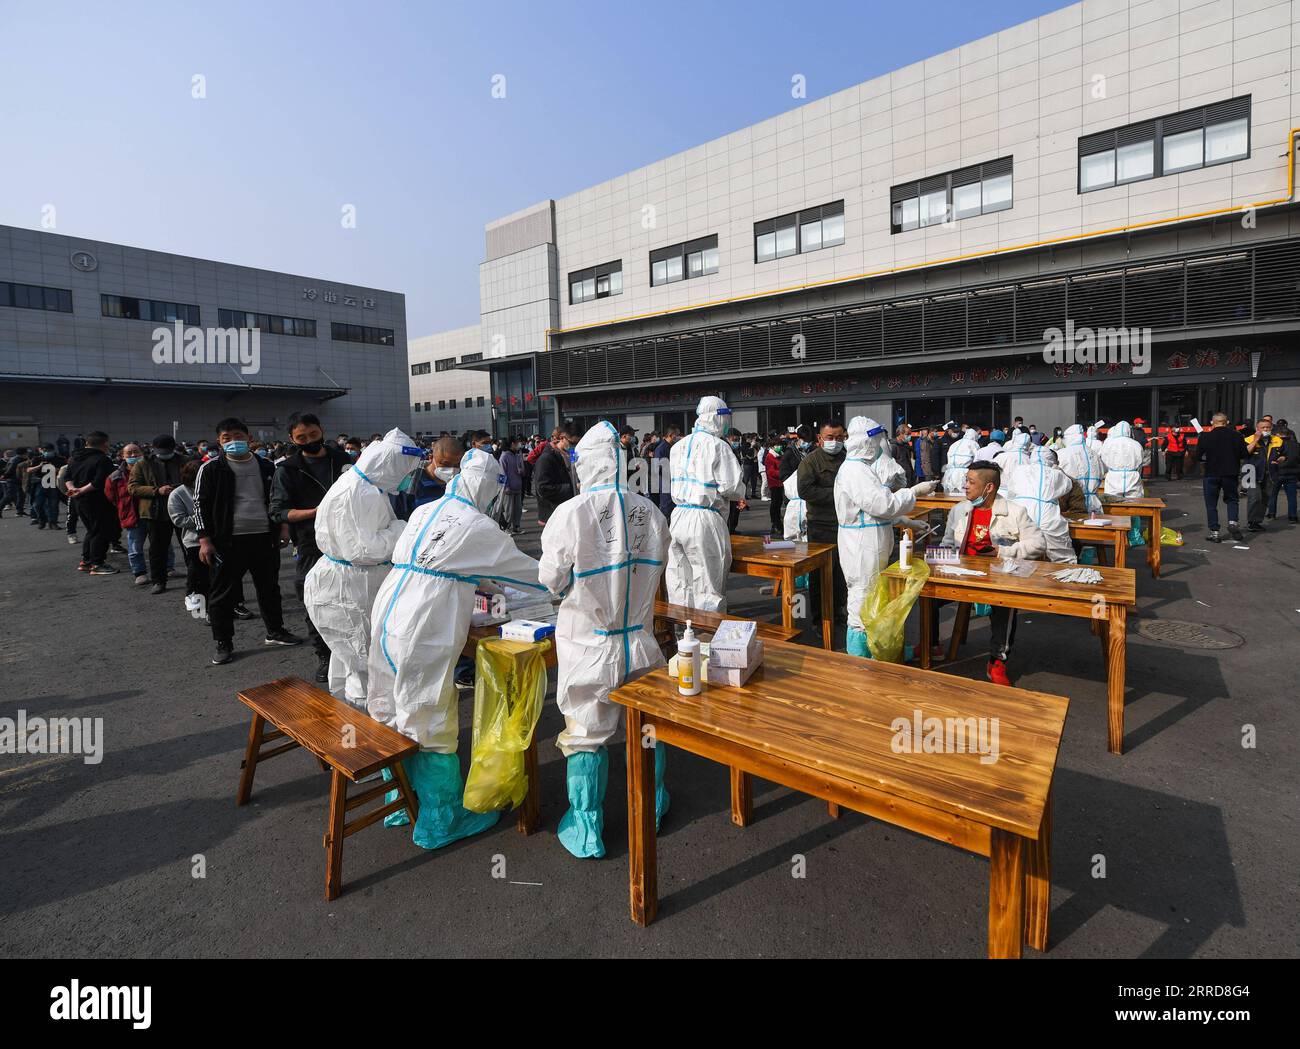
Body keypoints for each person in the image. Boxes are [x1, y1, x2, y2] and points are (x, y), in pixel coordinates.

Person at [367, 448, 545, 850]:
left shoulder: (424, 511)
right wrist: (565, 579)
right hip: (423, 625)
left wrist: (486, 584)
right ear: (490, 487)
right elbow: (530, 574)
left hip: (390, 610)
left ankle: (400, 798)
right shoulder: (478, 525)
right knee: (429, 713)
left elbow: (459, 565)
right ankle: (440, 819)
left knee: (390, 706)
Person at [539, 422, 671, 858]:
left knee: (585, 733)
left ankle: (587, 828)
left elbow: (551, 581)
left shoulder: (571, 513)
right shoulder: (650, 512)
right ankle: (650, 805)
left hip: (589, 645)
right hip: (640, 641)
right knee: (646, 726)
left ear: (586, 464)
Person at [305, 428, 423, 709]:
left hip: (351, 583)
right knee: (363, 661)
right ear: (391, 465)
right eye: (405, 470)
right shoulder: (361, 493)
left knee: (350, 657)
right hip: (348, 587)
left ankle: (351, 718)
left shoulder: (364, 485)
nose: (406, 478)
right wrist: (401, 530)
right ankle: (365, 733)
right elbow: (363, 549)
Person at [195, 417, 304, 665]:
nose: (234, 442)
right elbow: (200, 505)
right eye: (227, 438)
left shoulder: (266, 466)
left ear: (249, 438)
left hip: (265, 537)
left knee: (269, 588)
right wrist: (205, 540)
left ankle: (275, 631)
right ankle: (224, 642)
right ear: (219, 442)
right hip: (227, 541)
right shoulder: (211, 469)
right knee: (222, 594)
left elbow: (280, 500)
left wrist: (284, 528)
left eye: (238, 436)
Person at [835, 417, 936, 657]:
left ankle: (875, 651)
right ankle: (859, 657)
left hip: (868, 543)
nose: (880, 445)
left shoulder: (862, 468)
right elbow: (881, 504)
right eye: (876, 440)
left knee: (872, 598)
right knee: (861, 599)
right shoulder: (854, 470)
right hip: (861, 547)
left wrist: (905, 521)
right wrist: (912, 492)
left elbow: (871, 512)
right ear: (866, 441)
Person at [940, 463, 1047, 685]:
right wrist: (941, 558)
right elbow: (947, 544)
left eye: (971, 482)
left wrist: (1003, 551)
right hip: (960, 574)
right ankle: (931, 644)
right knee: (924, 591)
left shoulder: (1015, 512)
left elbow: (1039, 543)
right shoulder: (959, 510)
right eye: (965, 480)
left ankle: (997, 661)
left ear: (988, 487)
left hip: (997, 576)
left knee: (1005, 605)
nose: (965, 486)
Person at [270, 412, 353, 681]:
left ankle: (352, 653)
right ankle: (324, 656)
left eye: (313, 434)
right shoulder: (287, 469)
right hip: (310, 543)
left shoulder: (342, 459)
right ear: (292, 439)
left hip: (349, 540)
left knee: (350, 598)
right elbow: (279, 511)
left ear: (322, 430)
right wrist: (317, 512)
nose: (309, 441)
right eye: (301, 438)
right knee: (315, 600)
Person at [666, 397, 746, 611]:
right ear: (718, 417)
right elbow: (732, 487)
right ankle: (707, 636)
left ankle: (683, 634)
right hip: (705, 518)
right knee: (709, 583)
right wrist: (741, 492)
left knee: (680, 580)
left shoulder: (678, 446)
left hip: (679, 516)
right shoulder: (719, 446)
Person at [798, 420, 850, 627]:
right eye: (830, 438)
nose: (835, 442)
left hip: (845, 525)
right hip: (821, 526)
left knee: (842, 573)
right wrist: (838, 495)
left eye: (839, 438)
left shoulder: (848, 460)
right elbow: (805, 491)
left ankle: (838, 612)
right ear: (820, 439)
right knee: (820, 574)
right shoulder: (811, 462)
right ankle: (819, 617)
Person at [128, 435, 182, 594]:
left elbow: (195, 480)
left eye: (167, 451)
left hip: (182, 510)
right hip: (155, 512)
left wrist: (179, 487)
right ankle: (159, 581)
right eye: (160, 451)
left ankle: (197, 580)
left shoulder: (184, 461)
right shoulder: (143, 464)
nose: (163, 454)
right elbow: (132, 487)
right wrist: (156, 491)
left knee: (189, 547)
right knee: (157, 549)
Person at [1005, 445, 1076, 563]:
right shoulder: (1056, 474)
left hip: (1022, 513)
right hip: (1047, 515)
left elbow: (1011, 491)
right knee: (1060, 555)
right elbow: (1067, 486)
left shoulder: (1019, 470)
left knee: (1016, 552)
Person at [64, 432, 118, 574]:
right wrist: (82, 490)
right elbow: (99, 481)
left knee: (92, 530)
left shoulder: (74, 458)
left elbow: (67, 477)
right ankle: (97, 563)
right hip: (97, 500)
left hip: (79, 500)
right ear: (105, 444)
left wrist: (73, 489)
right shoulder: (102, 459)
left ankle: (86, 561)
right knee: (101, 531)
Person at [1195, 412, 1247, 543]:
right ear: (1227, 422)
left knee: (1211, 503)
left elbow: (1198, 456)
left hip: (1211, 473)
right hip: (1230, 473)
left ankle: (1214, 532)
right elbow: (1243, 454)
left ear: (1212, 422)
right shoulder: (1237, 436)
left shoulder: (1205, 437)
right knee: (1232, 499)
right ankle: (1233, 522)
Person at [169, 459, 209, 620]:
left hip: (217, 537)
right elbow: (179, 520)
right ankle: (195, 600)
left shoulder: (212, 488)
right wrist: (203, 518)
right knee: (198, 572)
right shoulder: (178, 493)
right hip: (194, 539)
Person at [1099, 420, 1146, 546]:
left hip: (1114, 477)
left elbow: (1103, 461)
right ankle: (1134, 536)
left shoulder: (1108, 444)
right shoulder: (1136, 444)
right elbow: (1142, 461)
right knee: (1134, 507)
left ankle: (1114, 535)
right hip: (1132, 477)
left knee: (1112, 507)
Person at [107, 444, 147, 584]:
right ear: (122, 456)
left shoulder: (151, 470)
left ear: (142, 453)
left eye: (136, 452)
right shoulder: (116, 476)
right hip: (132, 516)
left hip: (152, 514)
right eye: (129, 453)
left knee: (162, 544)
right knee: (135, 546)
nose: (132, 456)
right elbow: (111, 496)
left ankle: (168, 568)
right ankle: (139, 573)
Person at [534, 426, 577, 526]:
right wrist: (571, 487)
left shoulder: (569, 454)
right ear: (562, 438)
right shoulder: (546, 458)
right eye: (572, 443)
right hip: (553, 513)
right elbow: (542, 488)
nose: (574, 446)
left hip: (567, 509)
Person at [1243, 417, 1280, 531]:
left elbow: (1283, 453)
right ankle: (1251, 522)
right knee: (1255, 498)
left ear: (1271, 428)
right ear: (1257, 428)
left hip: (1269, 473)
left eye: (1268, 427)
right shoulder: (1249, 439)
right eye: (1263, 427)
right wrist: (1256, 440)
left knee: (1265, 498)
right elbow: (1245, 453)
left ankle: (1257, 522)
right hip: (1251, 473)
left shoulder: (1277, 440)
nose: (1265, 429)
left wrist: (1282, 458)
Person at [1058, 424, 1104, 513]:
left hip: (1073, 504)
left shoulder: (1062, 454)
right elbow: (1102, 473)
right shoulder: (1094, 454)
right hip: (1094, 503)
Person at [1266, 420, 1298, 522]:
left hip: (1278, 472)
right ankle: (1293, 516)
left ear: (1279, 435)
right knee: (1292, 496)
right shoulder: (1297, 445)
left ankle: (1271, 513)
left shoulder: (1278, 444)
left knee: (1273, 494)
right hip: (1293, 473)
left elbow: (1273, 458)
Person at [497, 435, 525, 533]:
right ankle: (506, 528)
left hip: (518, 486)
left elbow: (522, 469)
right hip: (508, 488)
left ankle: (516, 527)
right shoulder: (504, 456)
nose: (519, 444)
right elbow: (501, 473)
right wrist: (505, 487)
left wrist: (522, 471)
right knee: (508, 510)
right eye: (517, 442)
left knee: (518, 509)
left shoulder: (517, 455)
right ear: (512, 444)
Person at [942, 427, 980, 495]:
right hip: (964, 473)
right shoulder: (974, 444)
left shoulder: (955, 444)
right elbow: (977, 461)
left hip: (949, 473)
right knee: (963, 496)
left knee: (950, 495)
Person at [653, 426, 681, 517]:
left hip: (672, 482)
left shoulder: (673, 447)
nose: (678, 437)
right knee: (666, 508)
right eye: (676, 435)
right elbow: (657, 467)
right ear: (671, 435)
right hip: (665, 483)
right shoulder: (661, 448)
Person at [763, 433, 785, 534]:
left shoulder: (779, 455)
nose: (779, 447)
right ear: (772, 446)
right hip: (774, 483)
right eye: (777, 445)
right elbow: (771, 471)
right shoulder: (770, 456)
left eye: (780, 445)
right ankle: (775, 523)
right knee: (775, 504)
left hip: (780, 483)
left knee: (778, 503)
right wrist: (783, 473)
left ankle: (777, 523)